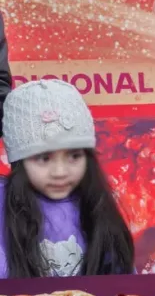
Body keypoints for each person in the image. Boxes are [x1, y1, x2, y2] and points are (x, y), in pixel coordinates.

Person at [0, 80, 134, 278]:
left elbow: (123, 284)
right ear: (20, 162)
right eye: (44, 158)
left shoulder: (97, 204)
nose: (60, 171)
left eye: (74, 156)